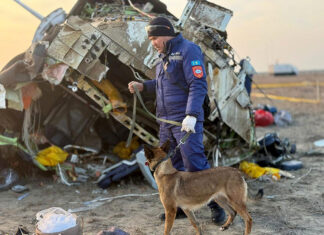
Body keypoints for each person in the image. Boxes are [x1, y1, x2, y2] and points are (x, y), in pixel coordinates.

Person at [128, 17, 226, 225]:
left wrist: (191, 114)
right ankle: (180, 207)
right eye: (150, 39)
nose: (153, 42)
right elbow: (164, 84)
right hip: (166, 122)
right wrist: (144, 86)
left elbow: (197, 84)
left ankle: (216, 206)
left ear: (166, 33)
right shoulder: (162, 55)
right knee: (174, 166)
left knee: (195, 164)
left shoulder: (189, 50)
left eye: (155, 38)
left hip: (185, 121)